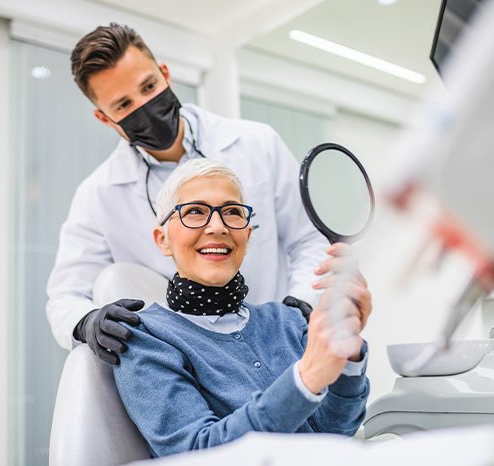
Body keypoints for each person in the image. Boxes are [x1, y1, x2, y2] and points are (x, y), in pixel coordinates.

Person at [46, 23, 345, 364]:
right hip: (189, 366)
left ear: (166, 74)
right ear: (104, 118)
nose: (145, 105)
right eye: (124, 104)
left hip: (281, 347)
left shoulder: (257, 145)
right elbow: (66, 295)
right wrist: (85, 322)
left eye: (148, 86)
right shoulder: (99, 195)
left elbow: (310, 240)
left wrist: (299, 306)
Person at [113, 158, 371, 458]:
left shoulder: (288, 321)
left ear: (247, 235)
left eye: (232, 213)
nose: (218, 227)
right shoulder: (146, 340)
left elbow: (335, 431)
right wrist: (306, 378)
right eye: (195, 212)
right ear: (163, 240)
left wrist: (348, 354)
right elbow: (198, 455)